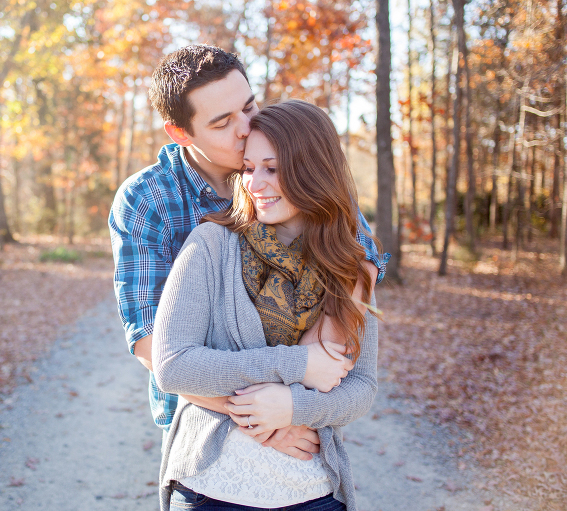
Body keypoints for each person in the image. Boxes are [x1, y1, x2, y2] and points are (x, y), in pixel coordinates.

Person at [108, 45, 387, 461]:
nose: (246, 127)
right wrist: (264, 419)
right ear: (181, 133)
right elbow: (152, 344)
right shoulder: (148, 200)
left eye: (249, 106)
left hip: (304, 422)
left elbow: (359, 252)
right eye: (222, 122)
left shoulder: (297, 168)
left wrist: (309, 375)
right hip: (205, 425)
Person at [152, 99, 382, 511]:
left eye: (272, 168)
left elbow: (361, 388)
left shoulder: (349, 266)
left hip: (312, 493)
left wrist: (295, 407)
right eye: (249, 168)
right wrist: (296, 364)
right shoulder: (211, 246)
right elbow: (172, 366)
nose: (255, 183)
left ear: (313, 169)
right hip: (212, 491)